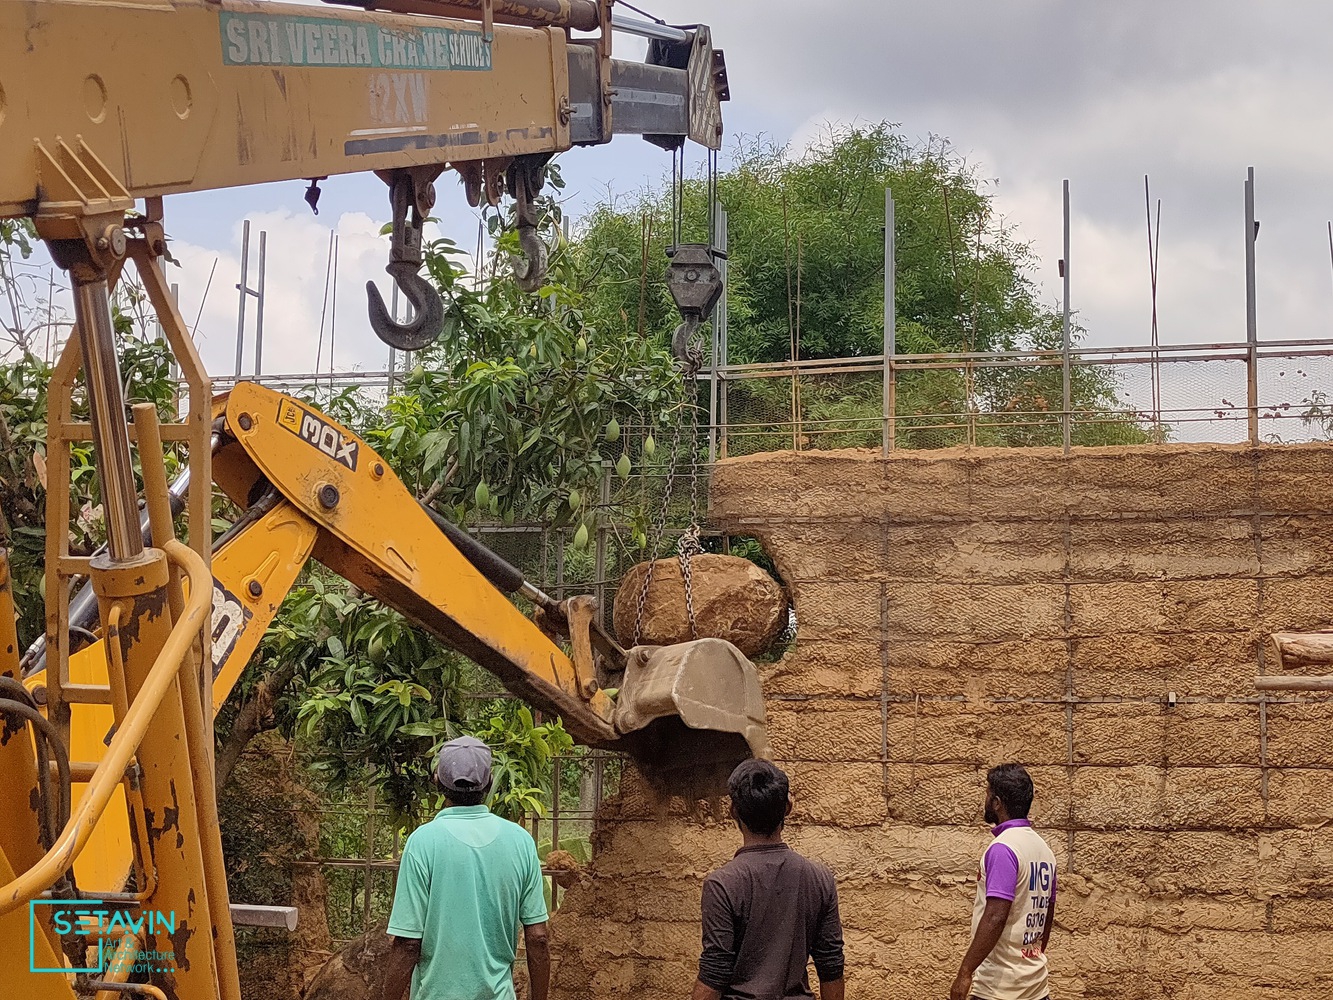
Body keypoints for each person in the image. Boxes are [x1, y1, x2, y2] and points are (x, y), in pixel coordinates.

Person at [376, 736, 550, 1000]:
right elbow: (538, 938)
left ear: (436, 781)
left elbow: (408, 944)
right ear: (490, 782)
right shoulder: (521, 842)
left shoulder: (423, 842)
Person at [692, 759, 845, 1000]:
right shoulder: (820, 878)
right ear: (788, 807)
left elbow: (715, 971)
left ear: (733, 811)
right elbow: (831, 965)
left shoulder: (722, 885)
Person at [950, 763, 1058, 1000]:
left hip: (999, 990)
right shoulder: (1044, 850)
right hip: (1036, 987)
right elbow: (1047, 917)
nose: (985, 800)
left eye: (988, 794)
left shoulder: (1003, 849)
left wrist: (965, 973)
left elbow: (996, 916)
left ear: (997, 802)